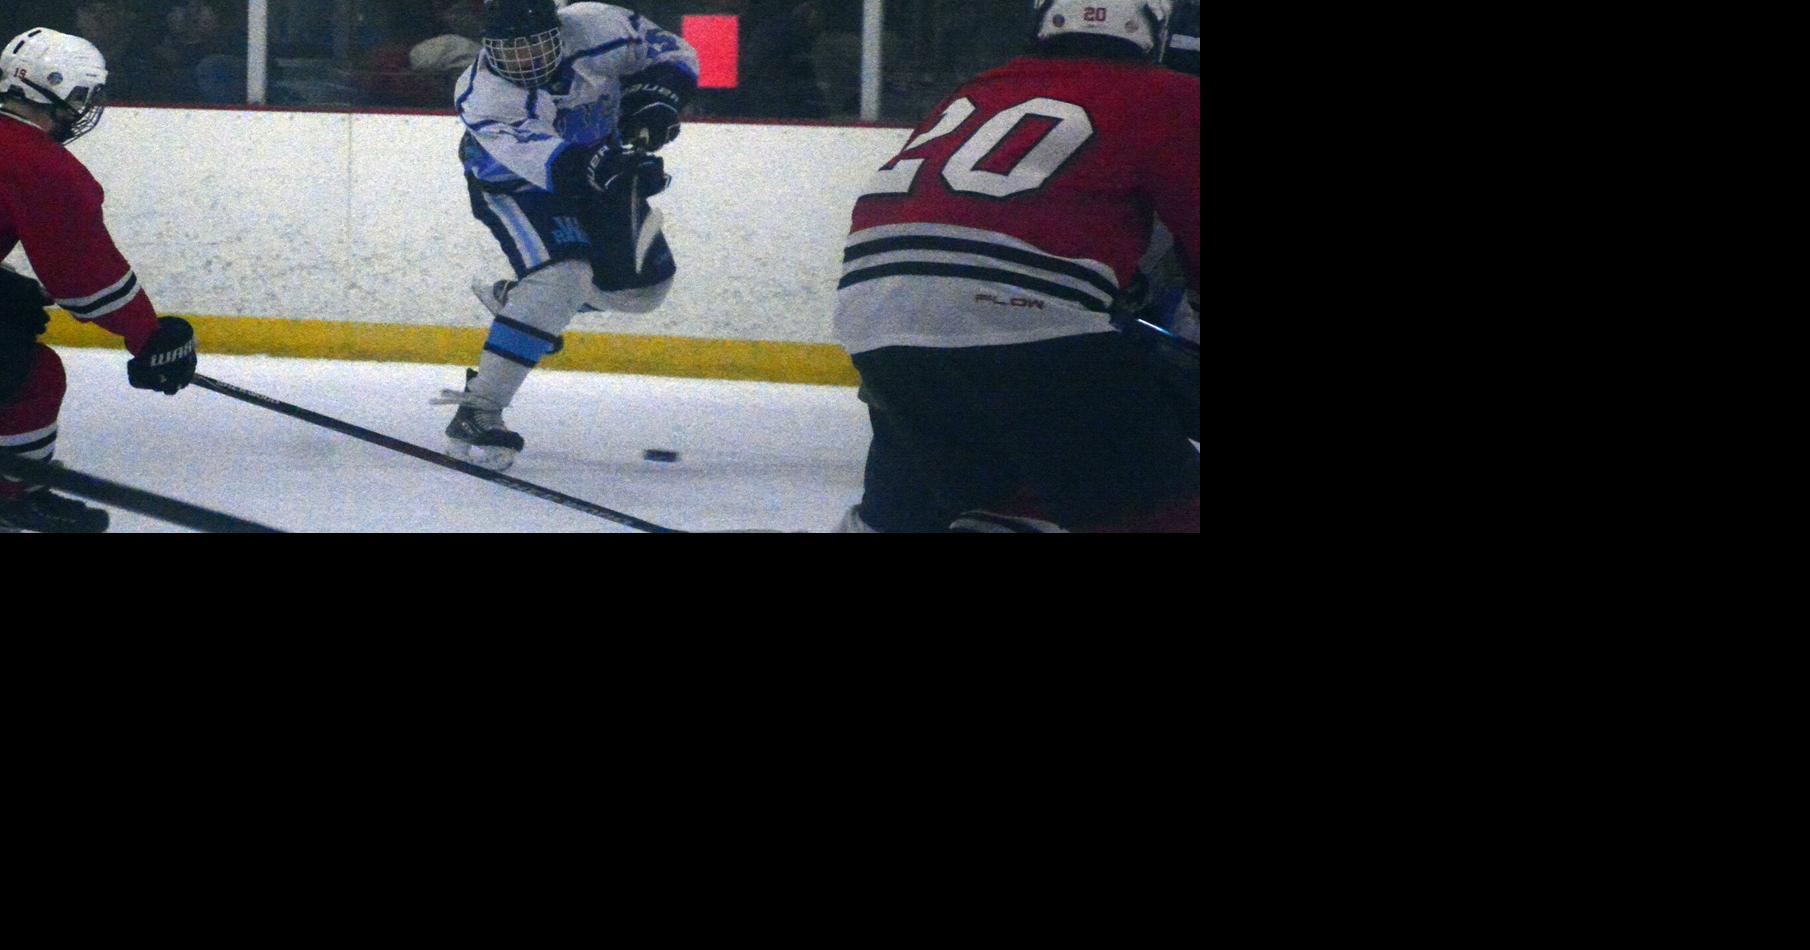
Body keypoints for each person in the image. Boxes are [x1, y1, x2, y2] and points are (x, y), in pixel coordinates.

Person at [831, 0, 1199, 533]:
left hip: (876, 321)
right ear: (1152, 32)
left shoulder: (979, 88)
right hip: (1031, 329)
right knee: (1169, 510)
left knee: (941, 503)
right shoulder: (1173, 95)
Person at [437, 0, 698, 471]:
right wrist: (613, 166)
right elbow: (559, 167)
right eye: (508, 51)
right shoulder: (482, 94)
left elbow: (674, 53)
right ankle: (478, 410)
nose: (522, 61)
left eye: (533, 46)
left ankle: (522, 303)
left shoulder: (599, 24)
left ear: (558, 31)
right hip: (516, 183)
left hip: (594, 165)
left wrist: (656, 101)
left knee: (644, 290)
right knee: (564, 276)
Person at [0, 28, 200, 533]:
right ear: (57, 88)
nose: (84, 108)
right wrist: (149, 336)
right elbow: (86, 279)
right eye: (83, 95)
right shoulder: (36, 161)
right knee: (31, 377)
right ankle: (11, 494)